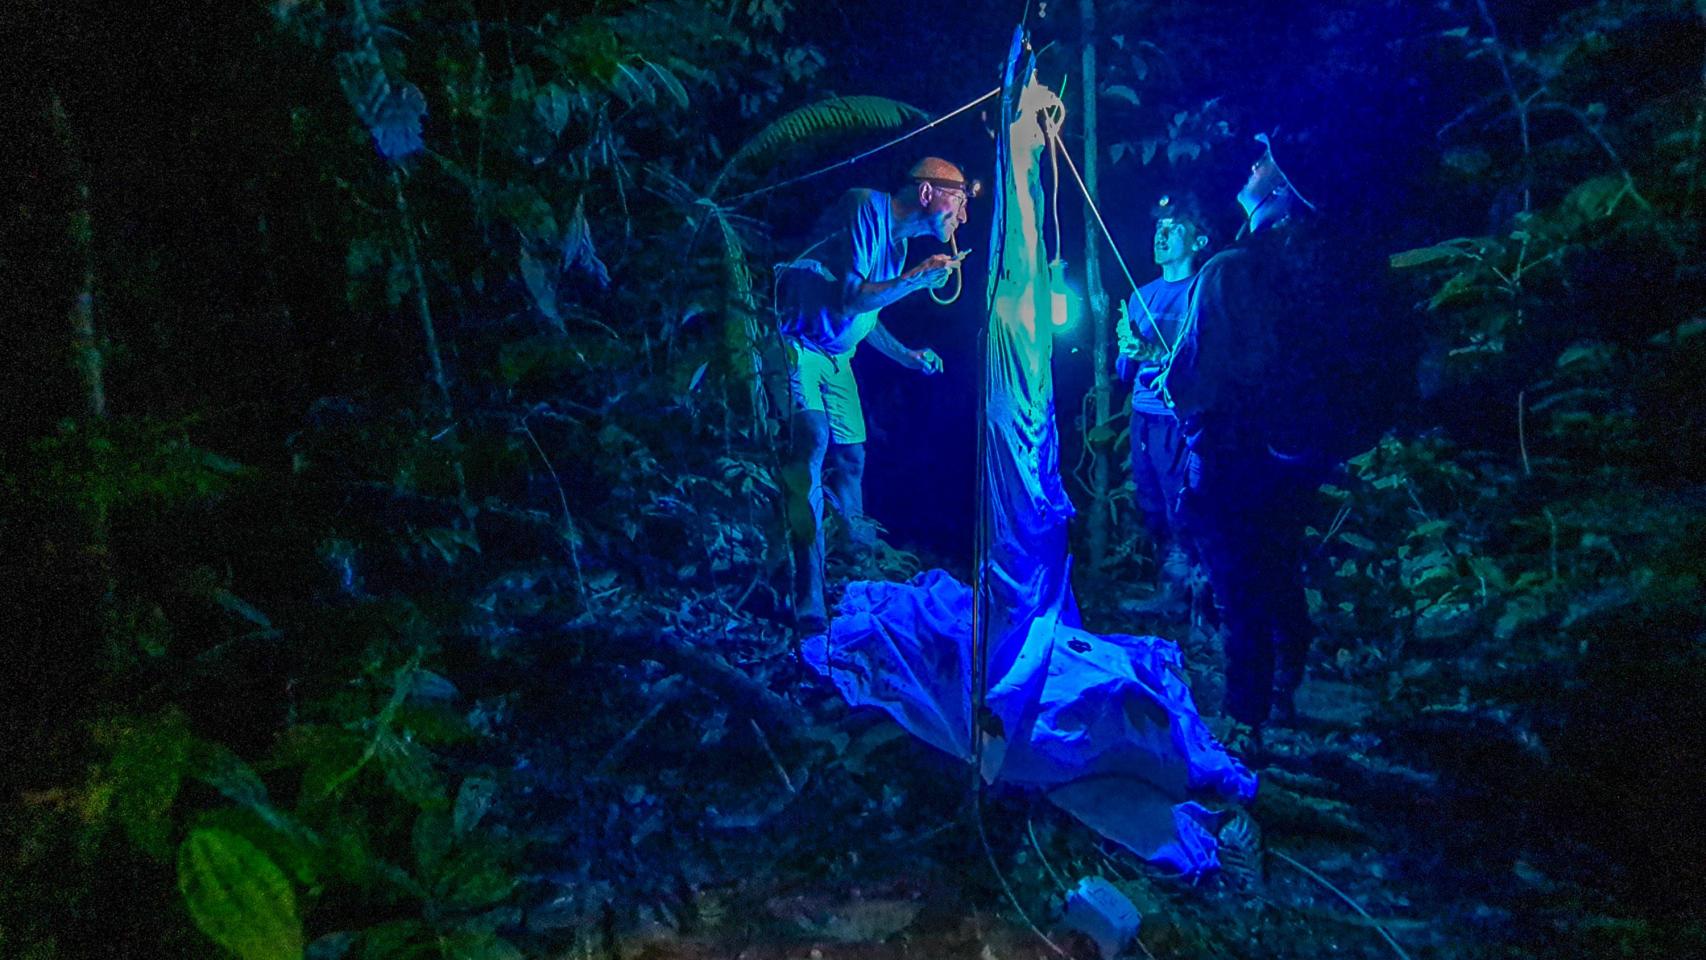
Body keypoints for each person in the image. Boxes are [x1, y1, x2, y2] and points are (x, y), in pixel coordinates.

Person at [1161, 129, 1406, 742]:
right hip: (1293, 453)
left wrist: (1184, 406)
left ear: (1283, 189)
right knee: (1278, 569)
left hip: (1230, 451)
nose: (1253, 164)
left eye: (1265, 161)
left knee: (1237, 583)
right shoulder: (1307, 273)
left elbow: (1192, 376)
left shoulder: (1230, 270)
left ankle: (1243, 721)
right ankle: (1282, 691)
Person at [773, 157, 976, 633]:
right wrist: (915, 280)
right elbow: (851, 298)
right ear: (926, 193)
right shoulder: (865, 207)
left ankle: (859, 571)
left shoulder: (896, 245)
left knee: (852, 459)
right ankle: (808, 592)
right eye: (959, 199)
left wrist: (907, 355)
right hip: (798, 341)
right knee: (812, 440)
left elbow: (867, 315)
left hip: (837, 355)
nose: (963, 215)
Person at [1116, 194, 1212, 617]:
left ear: (1198, 241)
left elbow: (1202, 360)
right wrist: (1127, 349)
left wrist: (1151, 350)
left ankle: (1203, 607)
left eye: (1174, 229)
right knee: (1152, 503)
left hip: (1180, 420)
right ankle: (1171, 594)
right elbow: (1126, 370)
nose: (1162, 234)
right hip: (1143, 416)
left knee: (1185, 506)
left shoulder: (1202, 292)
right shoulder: (1141, 295)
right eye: (1159, 227)